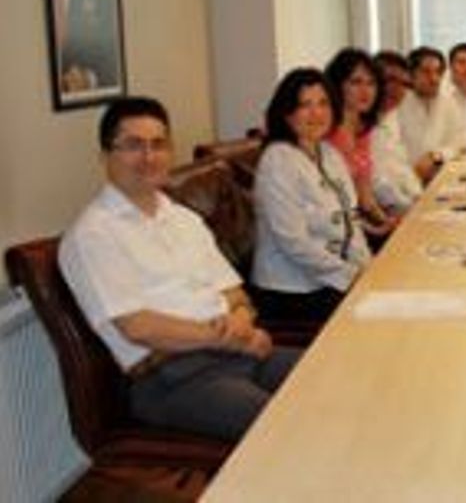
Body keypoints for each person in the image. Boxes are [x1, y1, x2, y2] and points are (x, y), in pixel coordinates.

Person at [59, 97, 300, 441]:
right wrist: (232, 339)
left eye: (158, 144)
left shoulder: (184, 219)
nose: (149, 156)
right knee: (288, 429)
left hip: (234, 351)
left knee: (334, 380)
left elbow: (235, 295)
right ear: (105, 156)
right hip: (173, 376)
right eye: (133, 145)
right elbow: (139, 328)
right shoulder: (93, 234)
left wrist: (242, 324)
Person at [253, 68, 371, 324]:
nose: (317, 113)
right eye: (305, 105)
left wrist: (368, 267)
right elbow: (293, 242)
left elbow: (352, 222)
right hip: (293, 292)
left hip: (332, 280)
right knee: (375, 315)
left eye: (323, 103)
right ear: (287, 113)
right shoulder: (277, 160)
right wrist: (351, 276)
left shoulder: (329, 153)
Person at [324, 48, 398, 238]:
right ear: (338, 85)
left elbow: (365, 197)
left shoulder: (363, 131)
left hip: (359, 225)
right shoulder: (326, 133)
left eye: (371, 83)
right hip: (335, 231)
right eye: (356, 82)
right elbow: (330, 203)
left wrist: (387, 222)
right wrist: (375, 229)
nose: (365, 91)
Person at [396, 46, 461, 181]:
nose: (434, 79)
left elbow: (457, 143)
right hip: (405, 181)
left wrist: (436, 156)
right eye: (426, 72)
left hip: (441, 178)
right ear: (411, 75)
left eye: (438, 72)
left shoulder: (448, 102)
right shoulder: (398, 104)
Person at [370, 51, 422, 215]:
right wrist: (411, 208)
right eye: (391, 80)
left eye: (404, 84)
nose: (397, 90)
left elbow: (401, 167)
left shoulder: (390, 117)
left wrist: (420, 197)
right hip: (380, 215)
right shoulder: (360, 125)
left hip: (401, 208)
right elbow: (377, 183)